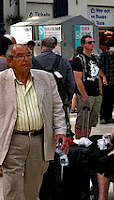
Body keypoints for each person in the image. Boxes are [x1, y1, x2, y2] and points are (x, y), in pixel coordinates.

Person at [0, 44, 68, 200]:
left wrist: (61, 131)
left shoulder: (45, 78)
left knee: (33, 189)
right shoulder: (1, 81)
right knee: (12, 189)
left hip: (40, 140)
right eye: (20, 56)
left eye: (29, 55)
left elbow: (57, 108)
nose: (26, 59)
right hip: (13, 141)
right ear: (10, 61)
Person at [32, 36, 77, 136]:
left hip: (39, 99)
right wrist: (68, 98)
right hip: (60, 98)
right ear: (55, 46)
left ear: (41, 45)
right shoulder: (63, 61)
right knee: (62, 125)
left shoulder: (34, 61)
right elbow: (71, 82)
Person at [73, 35, 107, 139]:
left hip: (96, 93)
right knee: (82, 121)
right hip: (85, 94)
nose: (92, 44)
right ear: (83, 45)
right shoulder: (79, 59)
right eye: (89, 42)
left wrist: (100, 93)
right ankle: (79, 141)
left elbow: (97, 76)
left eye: (93, 41)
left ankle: (86, 139)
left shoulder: (95, 58)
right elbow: (78, 79)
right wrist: (84, 95)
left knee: (91, 121)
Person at [99, 39, 114, 124]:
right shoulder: (103, 55)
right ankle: (102, 117)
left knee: (112, 100)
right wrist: (103, 76)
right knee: (105, 99)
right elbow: (99, 68)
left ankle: (109, 116)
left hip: (113, 80)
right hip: (105, 81)